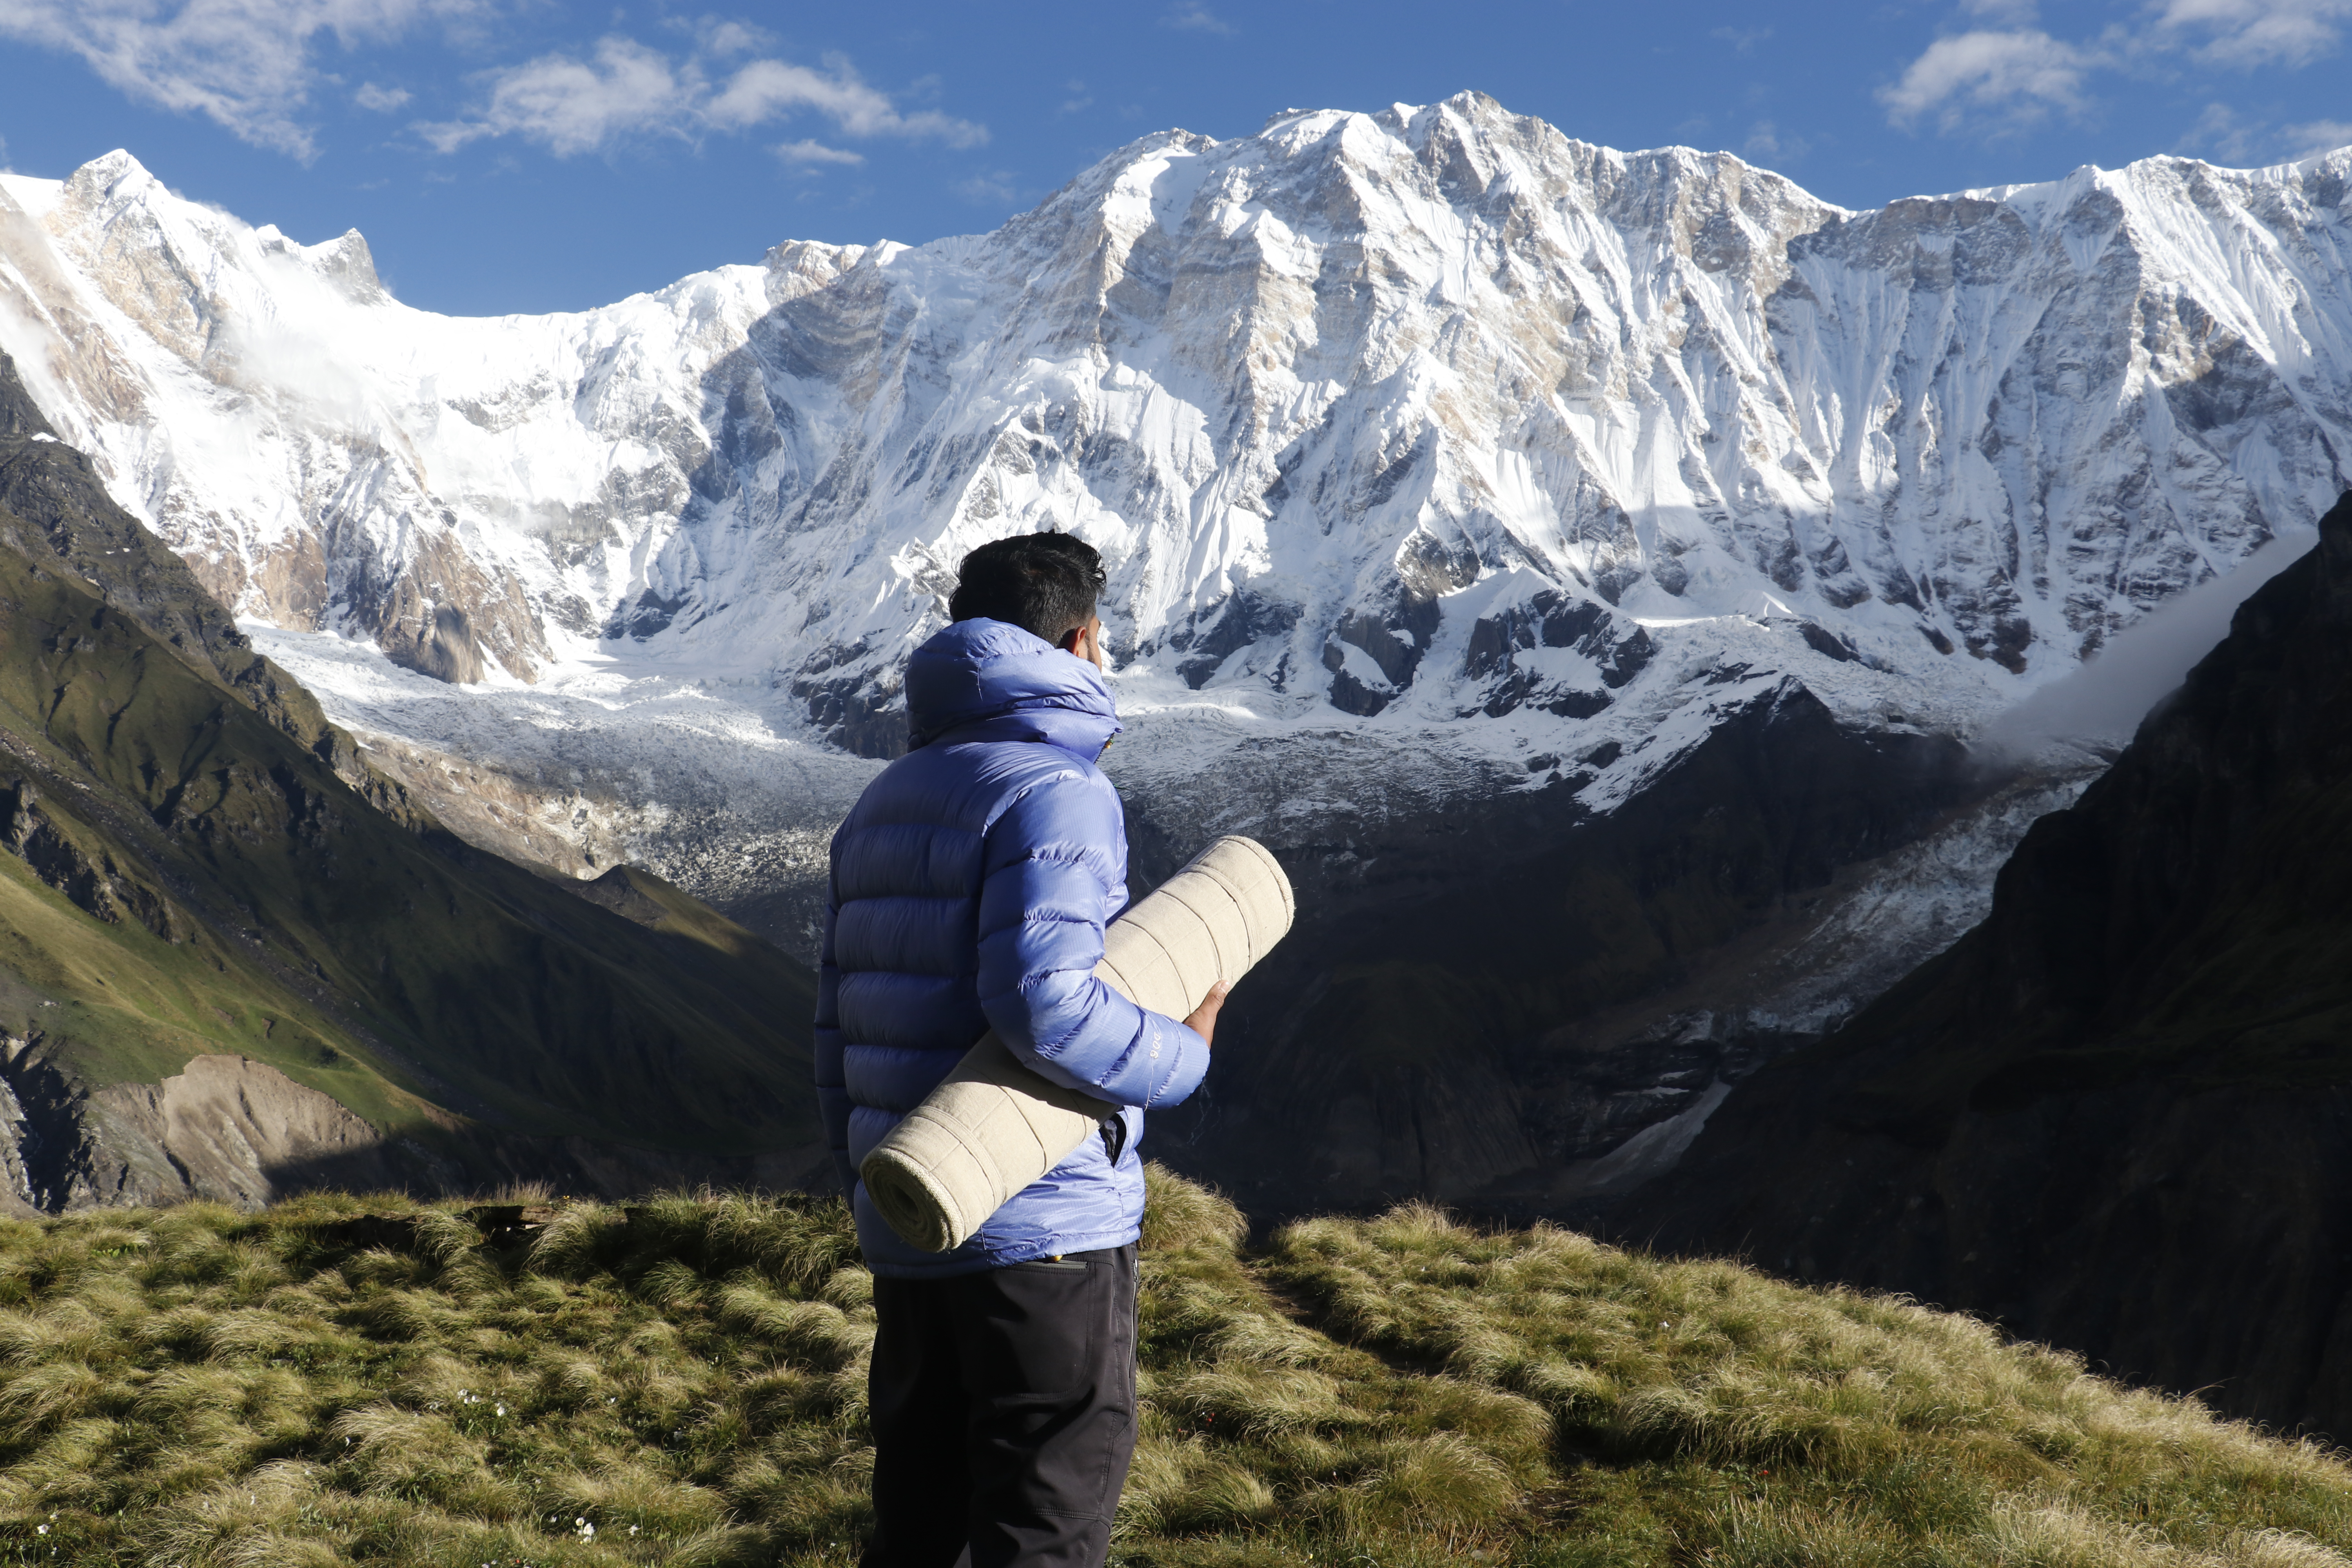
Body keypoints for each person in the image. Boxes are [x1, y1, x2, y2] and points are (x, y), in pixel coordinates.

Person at [815, 530, 1227, 1568]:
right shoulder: (1056, 790)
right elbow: (1046, 1008)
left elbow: (836, 1024)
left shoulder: (884, 799)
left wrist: (877, 1183)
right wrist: (1184, 1050)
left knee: (919, 1522)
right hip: (1040, 1226)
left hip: (914, 1216)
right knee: (1043, 1518)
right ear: (1084, 639)